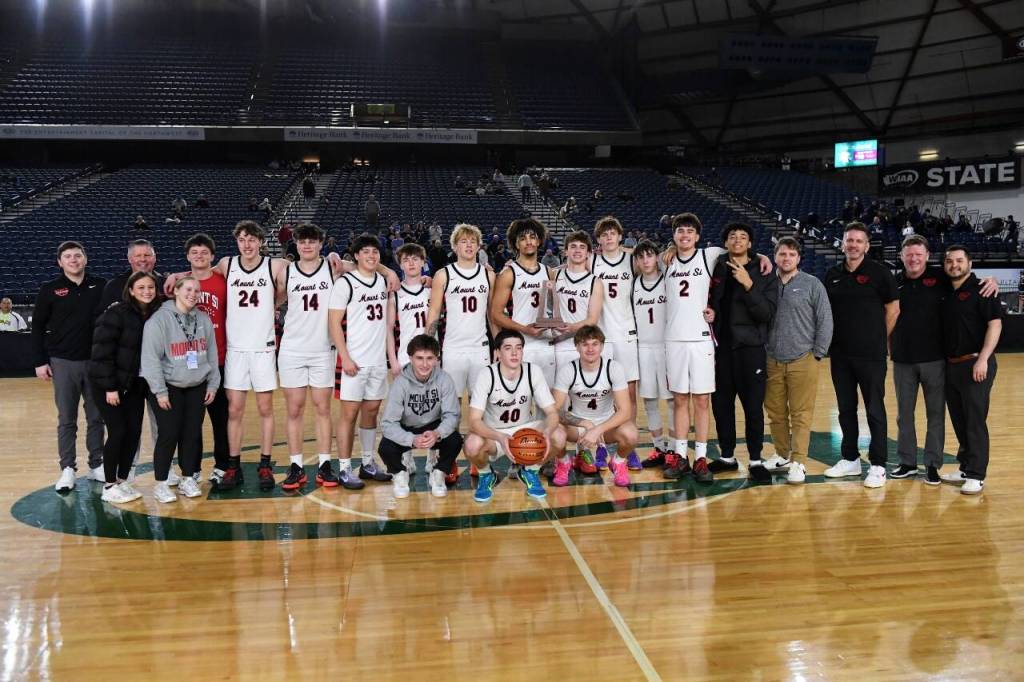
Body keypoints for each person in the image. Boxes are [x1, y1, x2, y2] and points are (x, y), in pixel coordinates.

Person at [661, 213, 769, 484]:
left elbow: (742, 248)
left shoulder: (710, 255)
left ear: (698, 236)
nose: (685, 236)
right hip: (673, 340)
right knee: (679, 402)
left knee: (701, 401)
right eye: (680, 232)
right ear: (673, 236)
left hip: (702, 340)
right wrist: (669, 250)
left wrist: (764, 257)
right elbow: (632, 255)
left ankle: (700, 458)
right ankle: (680, 456)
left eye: (689, 231)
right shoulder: (667, 261)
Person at [822, 222, 899, 488]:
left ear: (866, 245)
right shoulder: (832, 274)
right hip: (841, 355)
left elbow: (894, 310)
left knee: (874, 410)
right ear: (842, 244)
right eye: (849, 240)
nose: (853, 245)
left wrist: (878, 338)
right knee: (845, 409)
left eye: (858, 241)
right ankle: (851, 459)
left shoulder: (880, 273)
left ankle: (878, 465)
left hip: (871, 356)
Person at [33, 241, 107, 492]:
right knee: (67, 418)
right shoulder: (49, 289)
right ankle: (67, 468)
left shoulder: (100, 285)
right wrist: (40, 362)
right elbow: (37, 328)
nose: (74, 260)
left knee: (97, 417)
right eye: (68, 256)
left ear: (85, 259)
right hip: (63, 362)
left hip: (96, 362)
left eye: (78, 255)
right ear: (60, 262)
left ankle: (97, 464)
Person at [707, 223, 779, 481]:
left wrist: (749, 285)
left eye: (743, 237)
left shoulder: (763, 270)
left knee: (752, 407)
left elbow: (766, 313)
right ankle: (727, 456)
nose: (737, 240)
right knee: (722, 405)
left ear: (750, 244)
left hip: (751, 349)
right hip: (721, 349)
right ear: (725, 242)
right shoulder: (715, 264)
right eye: (732, 237)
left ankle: (756, 459)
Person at [140, 276, 219, 504]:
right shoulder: (158, 320)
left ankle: (187, 478)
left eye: (196, 290)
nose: (192, 294)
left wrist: (213, 383)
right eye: (188, 289)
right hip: (169, 387)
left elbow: (212, 355)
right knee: (168, 434)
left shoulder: (203, 319)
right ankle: (162, 483)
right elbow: (150, 359)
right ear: (176, 291)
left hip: (197, 386)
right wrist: (160, 391)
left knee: (192, 435)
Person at [277, 223, 344, 491]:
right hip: (292, 349)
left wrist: (389, 272)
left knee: (323, 409)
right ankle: (296, 466)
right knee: (294, 410)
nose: (307, 245)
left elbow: (365, 264)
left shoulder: (333, 267)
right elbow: (274, 301)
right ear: (295, 243)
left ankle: (325, 464)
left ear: (320, 243)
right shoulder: (286, 272)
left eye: (312, 241)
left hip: (322, 350)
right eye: (302, 241)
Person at [426, 223, 495, 478]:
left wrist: (498, 344)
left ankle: (477, 458)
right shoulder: (444, 274)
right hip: (452, 348)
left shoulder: (488, 275)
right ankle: (449, 461)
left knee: (479, 408)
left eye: (472, 241)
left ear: (479, 246)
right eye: (463, 241)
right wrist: (428, 347)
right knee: (450, 410)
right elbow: (434, 312)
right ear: (454, 246)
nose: (468, 245)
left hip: (480, 349)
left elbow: (492, 315)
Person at [465, 330, 566, 502]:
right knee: (471, 444)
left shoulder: (532, 371)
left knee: (559, 434)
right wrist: (499, 436)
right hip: (495, 433)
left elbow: (551, 412)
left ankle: (530, 471)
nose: (514, 353)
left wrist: (547, 432)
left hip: (525, 430)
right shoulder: (486, 374)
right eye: (508, 348)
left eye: (518, 348)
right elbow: (473, 421)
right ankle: (486, 474)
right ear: (497, 353)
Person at [764, 237, 833, 484]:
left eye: (791, 255)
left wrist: (817, 353)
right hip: (772, 358)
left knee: (801, 413)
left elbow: (825, 320)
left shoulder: (812, 284)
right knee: (775, 412)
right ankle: (782, 454)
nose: (786, 258)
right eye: (782, 254)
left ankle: (799, 461)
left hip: (803, 359)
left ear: (798, 259)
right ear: (775, 257)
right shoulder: (768, 283)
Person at [328, 234, 393, 490]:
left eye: (374, 251)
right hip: (353, 360)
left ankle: (367, 463)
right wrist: (344, 357)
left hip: (377, 361)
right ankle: (344, 468)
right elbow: (333, 323)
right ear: (355, 256)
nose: (371, 255)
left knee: (371, 411)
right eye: (365, 251)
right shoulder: (345, 283)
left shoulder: (382, 281)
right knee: (349, 414)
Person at [88, 271, 160, 503]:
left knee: (133, 434)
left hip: (136, 386)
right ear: (130, 290)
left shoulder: (155, 314)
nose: (146, 291)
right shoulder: (116, 313)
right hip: (109, 385)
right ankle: (109, 486)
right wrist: (110, 388)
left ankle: (121, 481)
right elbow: (101, 354)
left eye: (150, 287)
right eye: (141, 288)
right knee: (118, 431)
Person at [939, 245, 1004, 495]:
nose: (954, 265)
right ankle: (966, 467)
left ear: (970, 264)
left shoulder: (984, 290)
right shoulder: (945, 290)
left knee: (975, 421)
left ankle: (977, 474)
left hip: (976, 363)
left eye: (959, 261)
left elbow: (995, 326)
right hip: (952, 365)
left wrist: (983, 359)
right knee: (959, 419)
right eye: (949, 261)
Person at [550, 326, 639, 488]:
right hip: (578, 427)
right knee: (555, 432)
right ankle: (563, 462)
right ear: (577, 347)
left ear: (602, 346)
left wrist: (598, 429)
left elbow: (625, 411)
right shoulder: (568, 370)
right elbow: (553, 411)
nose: (590, 349)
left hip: (606, 426)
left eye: (595, 344)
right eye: (585, 344)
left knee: (631, 433)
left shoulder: (613, 368)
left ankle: (618, 463)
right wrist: (584, 423)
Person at [378, 335, 463, 499]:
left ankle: (438, 473)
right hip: (407, 427)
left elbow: (452, 415)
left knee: (455, 440)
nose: (425, 364)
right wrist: (411, 439)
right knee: (385, 448)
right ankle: (400, 474)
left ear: (437, 359)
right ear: (410, 358)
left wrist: (437, 433)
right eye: (419, 358)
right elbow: (388, 423)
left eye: (430, 358)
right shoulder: (400, 383)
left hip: (433, 426)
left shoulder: (444, 379)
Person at [589, 217, 641, 469]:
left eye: (613, 233)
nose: (609, 237)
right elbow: (562, 269)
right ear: (598, 240)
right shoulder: (591, 261)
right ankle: (599, 445)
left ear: (620, 237)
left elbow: (661, 259)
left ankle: (628, 447)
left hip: (627, 334)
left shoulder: (632, 260)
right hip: (600, 335)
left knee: (629, 394)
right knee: (600, 394)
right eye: (604, 234)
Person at [182, 233, 231, 484]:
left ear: (212, 256)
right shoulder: (179, 283)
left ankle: (223, 465)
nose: (199, 256)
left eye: (204, 253)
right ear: (187, 256)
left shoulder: (223, 281)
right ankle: (192, 469)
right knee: (191, 421)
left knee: (221, 419)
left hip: (219, 360)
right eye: (194, 252)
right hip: (190, 362)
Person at [489, 218, 557, 387]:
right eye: (523, 238)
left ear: (539, 240)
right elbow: (496, 315)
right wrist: (524, 329)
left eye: (532, 237)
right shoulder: (508, 274)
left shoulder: (549, 272)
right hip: (520, 345)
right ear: (516, 244)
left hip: (547, 345)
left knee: (547, 405)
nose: (529, 242)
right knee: (520, 405)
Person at [386, 244, 435, 475]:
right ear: (400, 264)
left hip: (431, 355)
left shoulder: (432, 288)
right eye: (406, 260)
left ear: (423, 262)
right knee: (405, 411)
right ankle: (407, 458)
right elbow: (388, 328)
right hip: (405, 358)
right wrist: (393, 361)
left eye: (416, 259)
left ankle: (432, 457)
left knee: (434, 409)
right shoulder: (395, 292)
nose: (411, 263)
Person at [631, 240, 676, 468]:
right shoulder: (634, 284)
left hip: (666, 346)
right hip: (643, 348)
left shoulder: (668, 279)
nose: (646, 260)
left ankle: (674, 449)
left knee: (670, 400)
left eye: (650, 255)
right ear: (637, 261)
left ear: (657, 257)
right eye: (641, 257)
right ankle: (659, 447)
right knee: (649, 400)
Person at [552, 231, 605, 379]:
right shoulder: (553, 275)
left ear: (588, 253)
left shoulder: (595, 282)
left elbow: (593, 319)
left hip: (584, 345)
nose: (577, 250)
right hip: (559, 345)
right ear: (565, 251)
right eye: (573, 246)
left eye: (582, 247)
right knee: (560, 398)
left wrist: (570, 327)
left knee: (584, 397)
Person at [99, 239, 164, 312]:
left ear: (154, 258)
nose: (143, 259)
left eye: (147, 255)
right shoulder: (114, 286)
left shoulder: (166, 285)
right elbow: (101, 317)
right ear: (129, 259)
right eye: (138, 256)